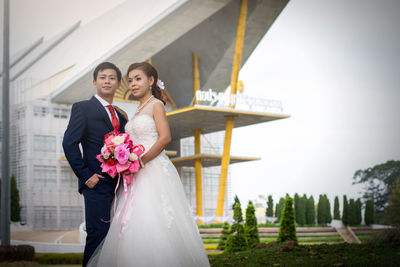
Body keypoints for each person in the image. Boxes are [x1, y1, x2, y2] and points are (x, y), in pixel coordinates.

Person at [87, 62, 210, 267]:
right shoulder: (137, 110)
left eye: (138, 79)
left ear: (151, 81)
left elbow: (164, 139)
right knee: (133, 223)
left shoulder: (156, 105)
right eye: (130, 80)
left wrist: (140, 161)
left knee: (156, 220)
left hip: (151, 169)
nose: (133, 84)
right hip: (134, 172)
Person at [62, 62, 128, 267]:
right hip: (97, 183)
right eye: (102, 77)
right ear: (94, 82)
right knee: (98, 235)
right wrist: (86, 176)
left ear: (118, 83)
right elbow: (69, 143)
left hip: (120, 185)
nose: (107, 81)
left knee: (116, 239)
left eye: (112, 78)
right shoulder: (83, 107)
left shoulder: (120, 115)